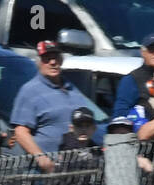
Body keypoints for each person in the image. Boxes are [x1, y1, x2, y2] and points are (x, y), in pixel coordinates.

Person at [10, 41, 92, 175]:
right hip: (45, 172)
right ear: (39, 62)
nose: (53, 62)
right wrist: (42, 160)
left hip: (77, 168)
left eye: (56, 58)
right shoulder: (29, 91)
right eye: (47, 59)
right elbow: (21, 132)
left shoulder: (72, 87)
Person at [113, 33, 154, 119]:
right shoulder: (131, 79)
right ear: (143, 52)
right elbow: (120, 114)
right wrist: (142, 115)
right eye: (152, 49)